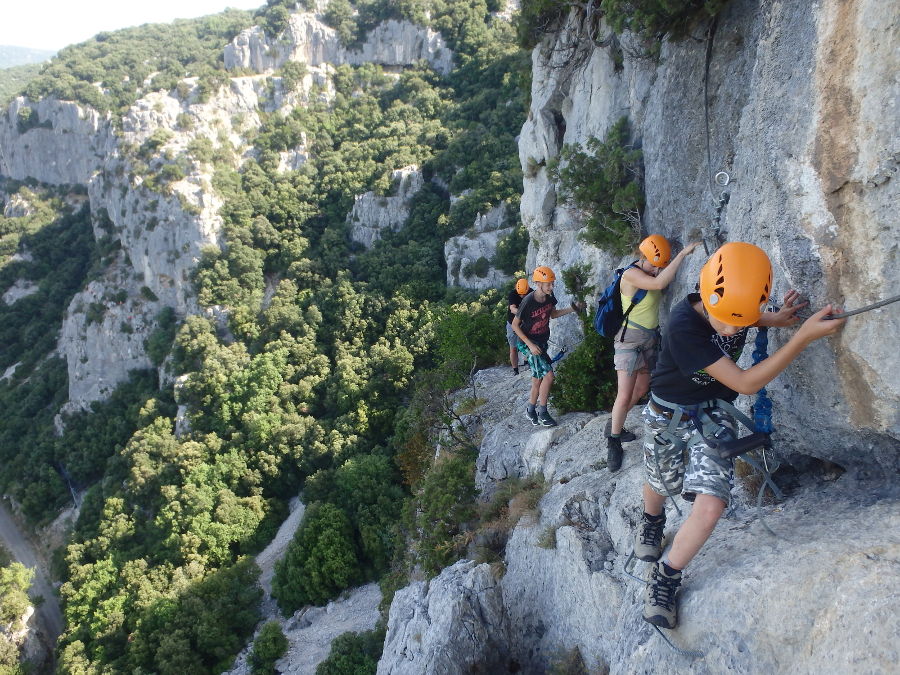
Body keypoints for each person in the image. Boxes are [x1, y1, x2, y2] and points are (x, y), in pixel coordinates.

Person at [633, 242, 845, 630]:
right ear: (707, 296)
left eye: (741, 320)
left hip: (713, 414)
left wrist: (775, 320)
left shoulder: (730, 308)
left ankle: (666, 575)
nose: (732, 330)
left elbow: (741, 316)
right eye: (726, 320)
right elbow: (746, 383)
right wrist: (801, 338)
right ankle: (651, 519)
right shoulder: (682, 327)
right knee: (660, 478)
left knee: (711, 504)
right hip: (668, 411)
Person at [607, 235, 701, 472]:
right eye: (653, 264)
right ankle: (614, 442)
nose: (657, 269)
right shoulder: (630, 275)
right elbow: (659, 285)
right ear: (642, 257)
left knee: (640, 390)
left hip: (648, 340)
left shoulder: (650, 273)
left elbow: (660, 281)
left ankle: (613, 424)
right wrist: (682, 255)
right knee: (625, 393)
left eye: (660, 265)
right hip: (628, 342)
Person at [512, 266, 583, 427]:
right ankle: (543, 413)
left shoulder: (550, 297)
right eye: (548, 284)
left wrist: (573, 308)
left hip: (541, 342)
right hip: (528, 343)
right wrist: (530, 345)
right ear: (538, 283)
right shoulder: (528, 301)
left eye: (552, 283)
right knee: (549, 376)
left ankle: (530, 410)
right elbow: (516, 325)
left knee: (537, 379)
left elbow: (553, 314)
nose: (551, 287)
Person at [506, 278, 532, 375]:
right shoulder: (513, 294)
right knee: (513, 347)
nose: (522, 296)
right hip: (512, 322)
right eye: (520, 294)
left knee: (528, 343)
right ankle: (515, 370)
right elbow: (512, 308)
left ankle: (529, 362)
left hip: (525, 323)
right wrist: (523, 314)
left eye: (524, 294)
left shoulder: (531, 292)